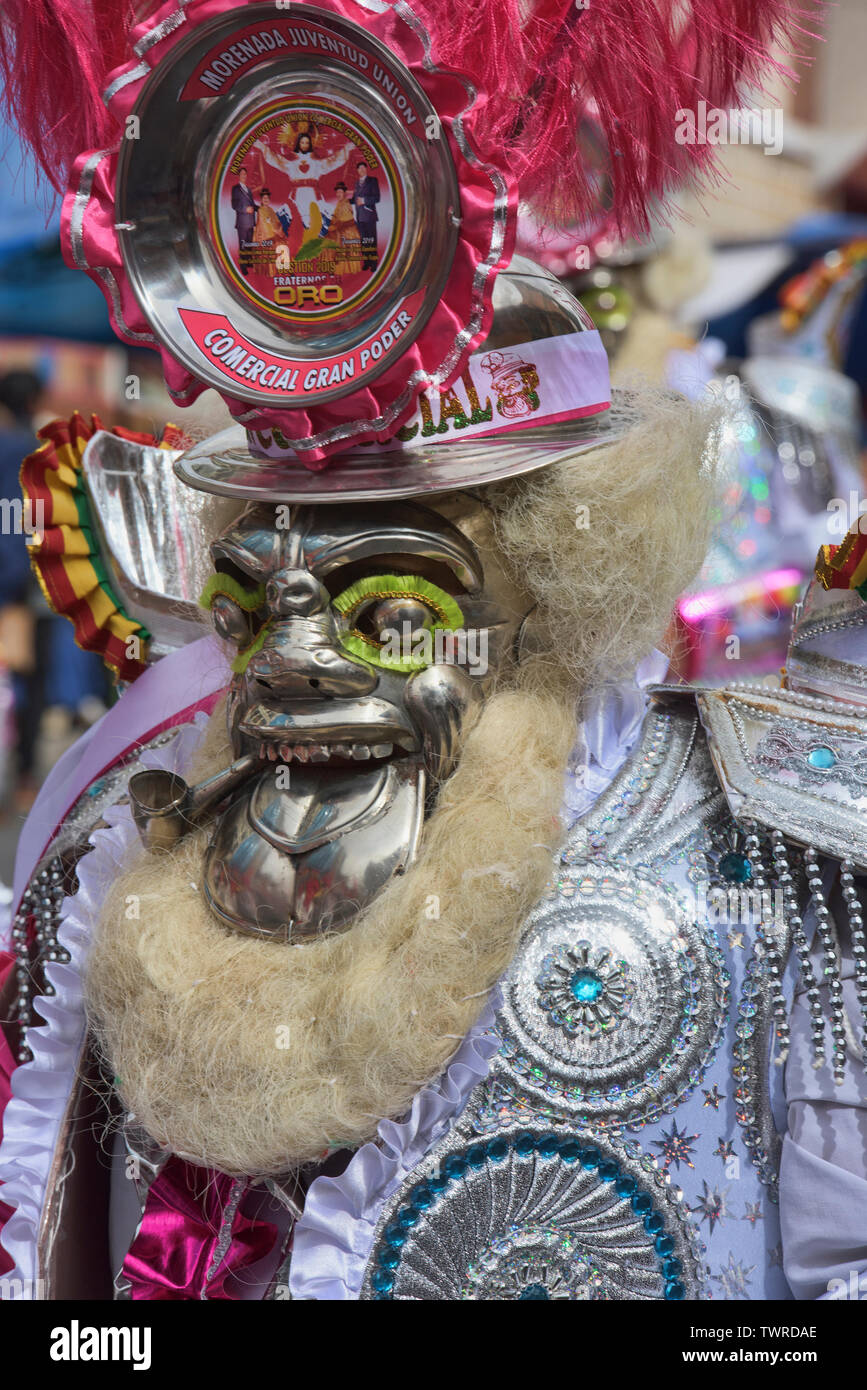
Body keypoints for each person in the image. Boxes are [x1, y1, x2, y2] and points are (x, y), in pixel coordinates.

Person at [329, 181, 362, 275]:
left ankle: (350, 273)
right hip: (342, 232)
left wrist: (334, 226)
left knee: (347, 253)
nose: (338, 194)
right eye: (337, 192)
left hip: (349, 233)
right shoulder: (339, 203)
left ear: (344, 193)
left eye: (340, 192)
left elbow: (346, 220)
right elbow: (335, 217)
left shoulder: (346, 203)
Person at [352, 160, 380, 272]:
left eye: (363, 168)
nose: (362, 170)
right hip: (360, 217)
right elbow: (354, 199)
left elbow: (377, 198)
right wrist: (344, 199)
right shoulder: (356, 183)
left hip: (369, 216)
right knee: (364, 241)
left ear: (366, 169)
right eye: (359, 168)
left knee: (371, 240)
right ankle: (366, 262)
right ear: (357, 171)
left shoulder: (372, 181)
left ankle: (374, 263)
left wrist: (364, 200)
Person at [230, 165, 257, 274]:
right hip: (242, 223)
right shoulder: (236, 189)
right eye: (242, 174)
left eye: (245, 174)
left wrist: (261, 208)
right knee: (243, 245)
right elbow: (234, 204)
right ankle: (243, 266)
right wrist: (245, 209)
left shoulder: (248, 189)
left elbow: (252, 204)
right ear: (239, 176)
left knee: (249, 244)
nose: (244, 176)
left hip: (250, 222)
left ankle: (249, 262)